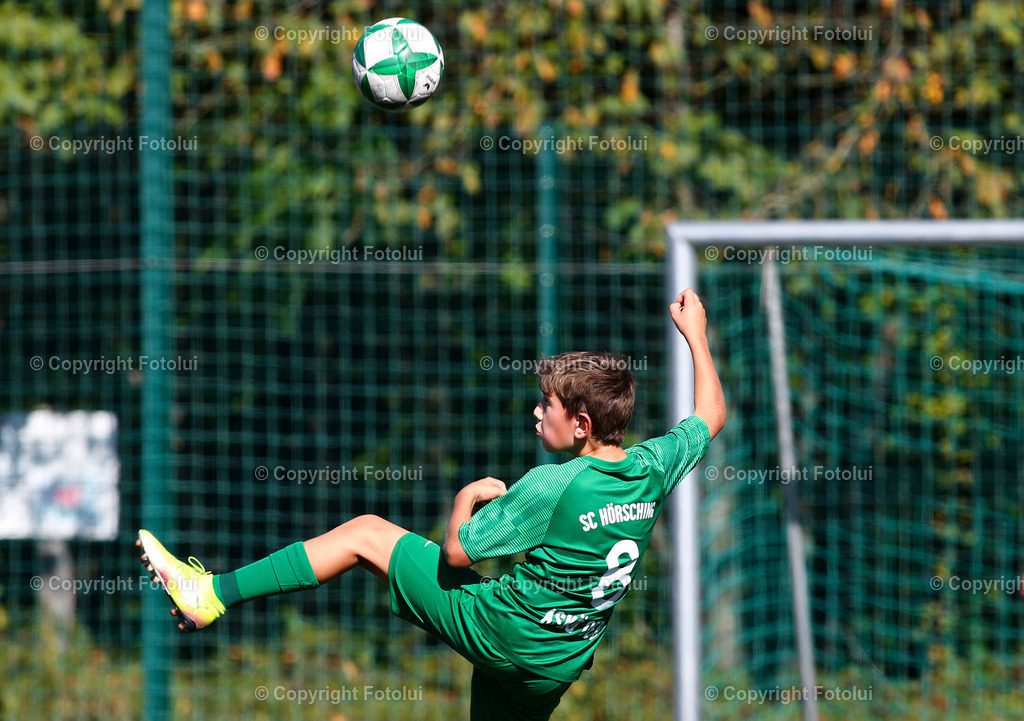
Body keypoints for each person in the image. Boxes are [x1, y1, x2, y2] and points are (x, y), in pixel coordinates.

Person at [136, 288, 725, 720]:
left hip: (506, 631)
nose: (537, 412)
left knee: (366, 533)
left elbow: (459, 553)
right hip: (559, 660)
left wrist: (465, 496)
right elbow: (710, 416)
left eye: (547, 404)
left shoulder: (550, 486)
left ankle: (210, 594)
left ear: (582, 423)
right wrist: (697, 338)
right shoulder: (652, 467)